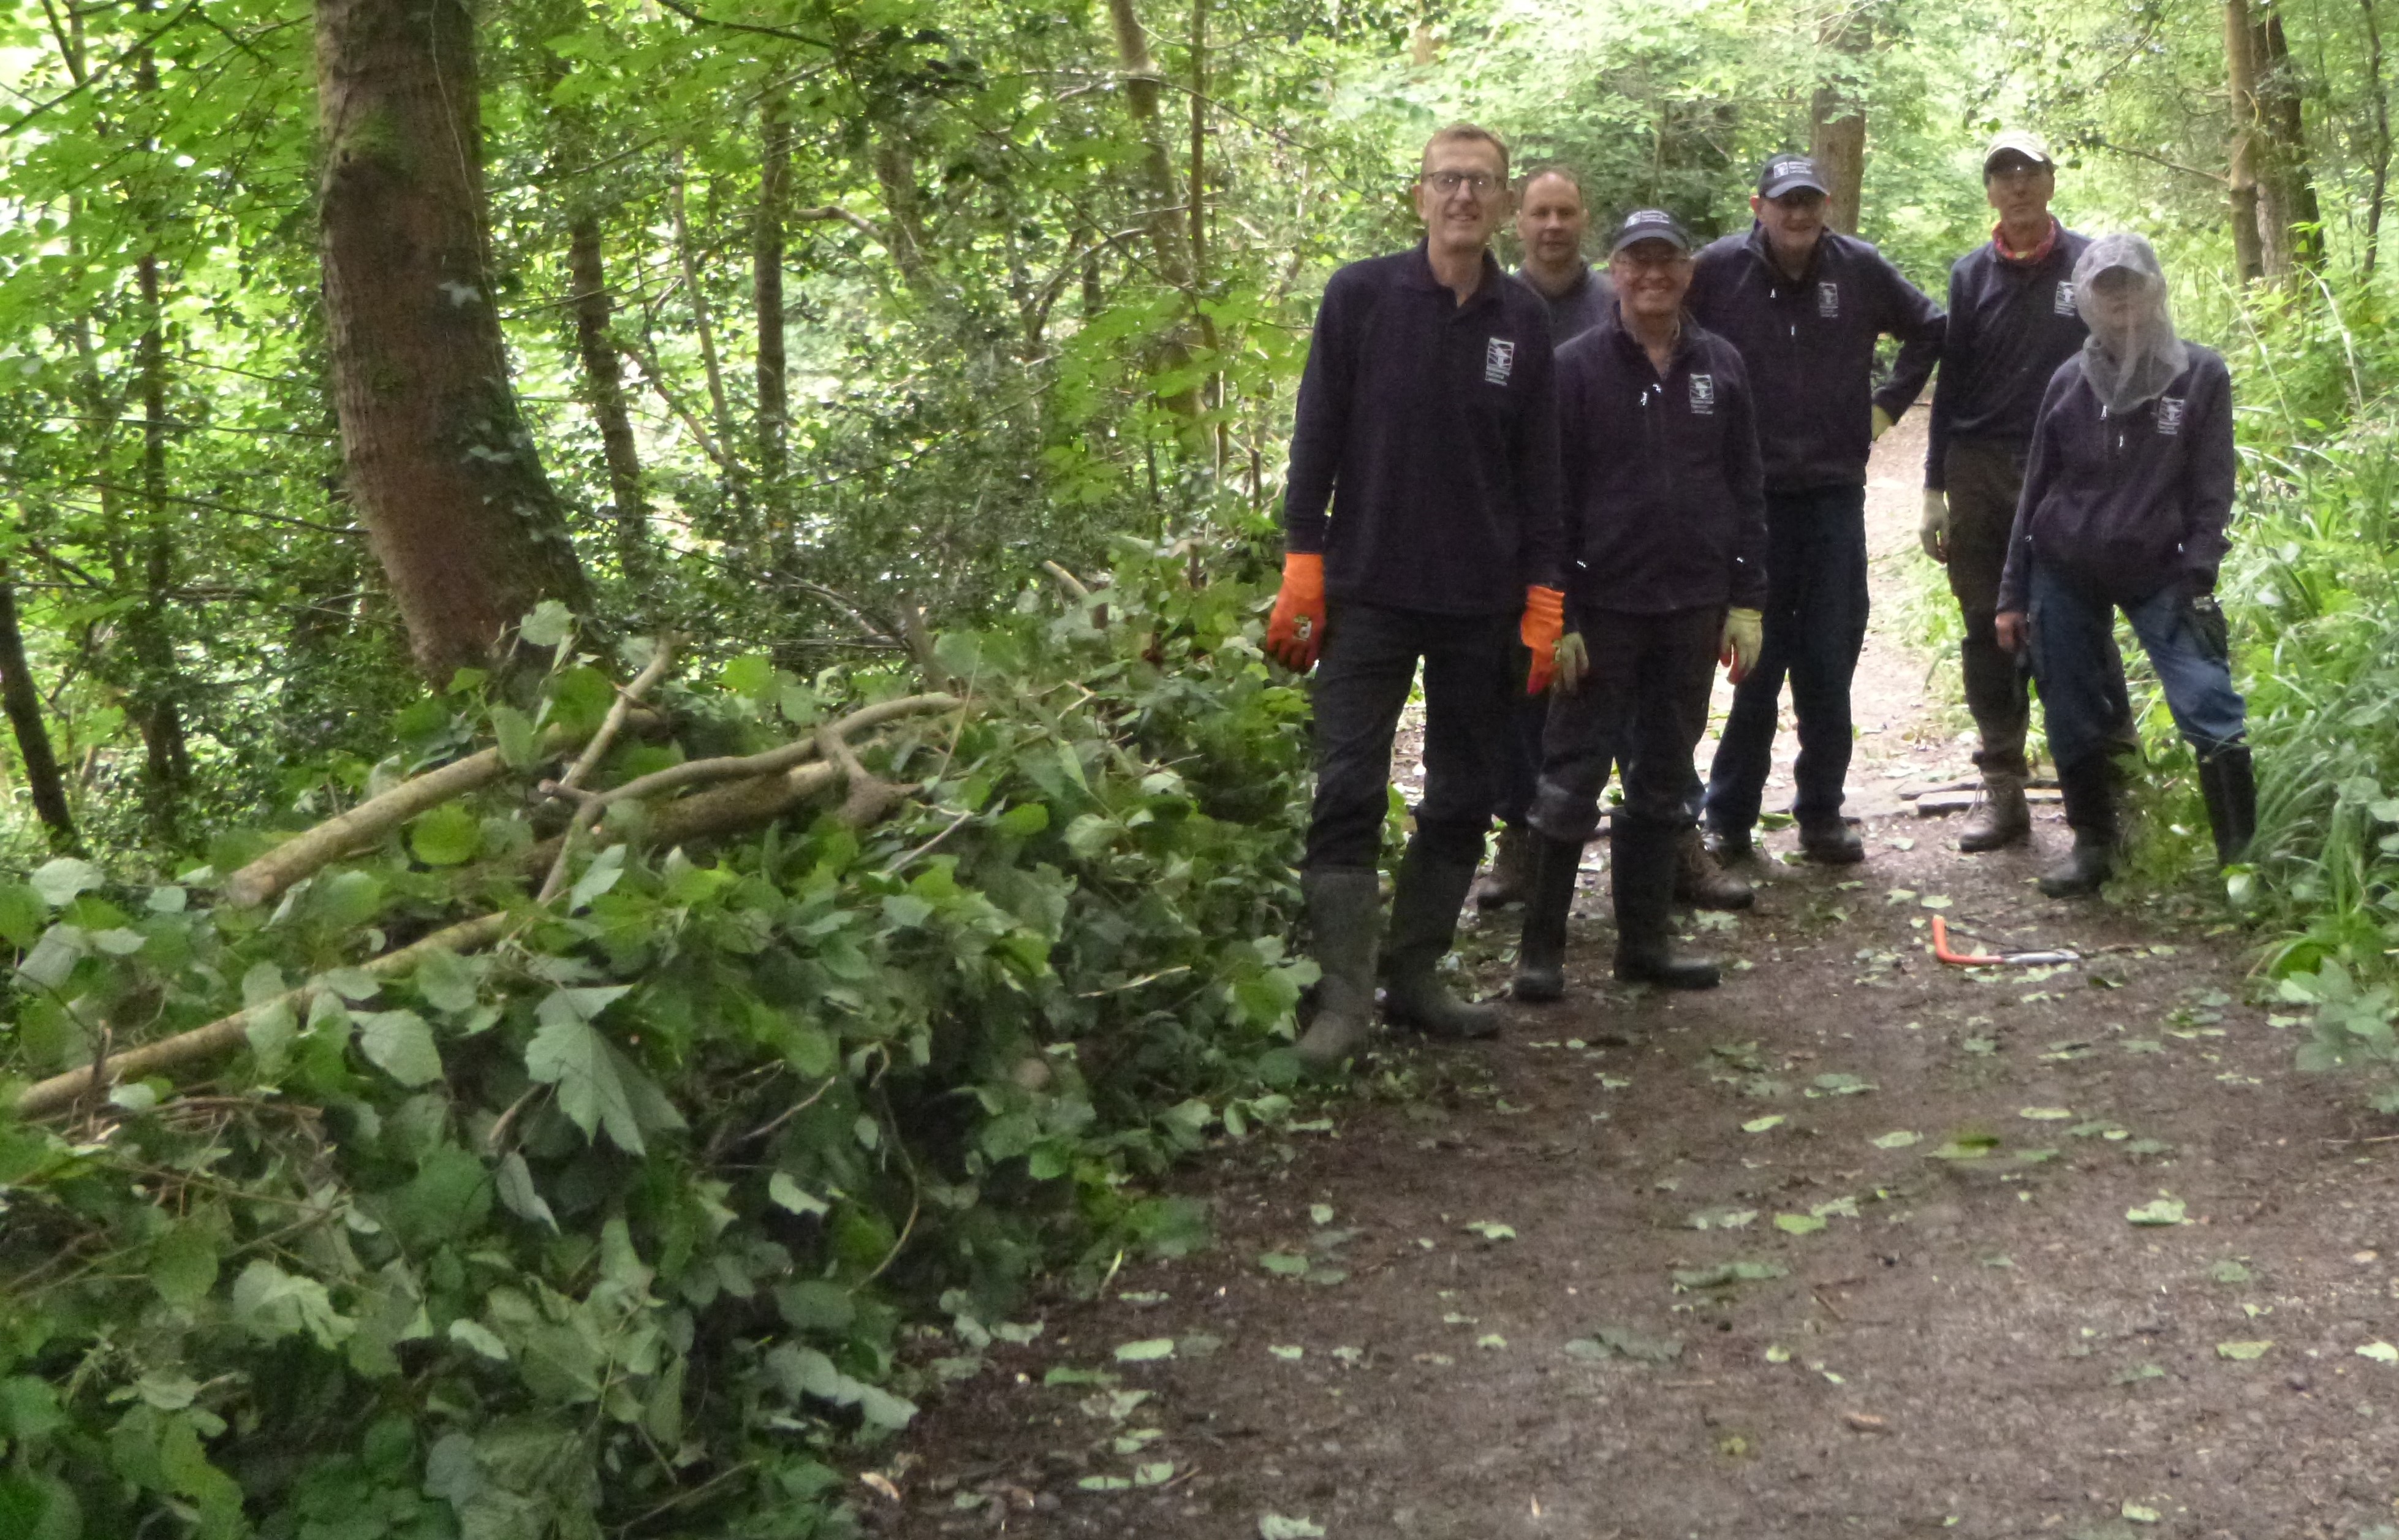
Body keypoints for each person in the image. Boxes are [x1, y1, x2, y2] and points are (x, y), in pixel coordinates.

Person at [1265, 123, 1568, 1071]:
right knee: (1347, 787)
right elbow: (1316, 432)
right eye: (1447, 180)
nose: (1462, 197)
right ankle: (1341, 1001)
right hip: (1366, 590)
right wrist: (1302, 560)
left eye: (1480, 182)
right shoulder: (1360, 296)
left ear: (1501, 201)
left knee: (1462, 793)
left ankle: (1416, 975)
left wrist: (1544, 596)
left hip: (1480, 601)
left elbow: (1541, 473)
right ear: (1420, 195)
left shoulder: (1522, 320)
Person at [1478, 167, 1755, 914]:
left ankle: (1669, 860)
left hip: (1664, 577)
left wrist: (1744, 594)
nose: (1553, 225)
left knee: (1658, 734)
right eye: (1540, 212)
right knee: (1537, 714)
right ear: (1518, 220)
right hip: (1537, 546)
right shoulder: (1500, 304)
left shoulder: (1652, 322)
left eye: (1566, 211)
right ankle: (1525, 853)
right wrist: (1551, 592)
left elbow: (1738, 479)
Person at [1687, 154, 1945, 866]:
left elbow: (1931, 327)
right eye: (1784, 202)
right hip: (1751, 498)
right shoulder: (1717, 270)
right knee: (1754, 661)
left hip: (1834, 492)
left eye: (1808, 202)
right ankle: (1729, 816)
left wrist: (1884, 410)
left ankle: (1822, 812)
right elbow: (1663, 335)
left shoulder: (1858, 268)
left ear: (1825, 205)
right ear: (1758, 206)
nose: (1797, 214)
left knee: (1829, 657)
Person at [1994, 233, 2253, 897]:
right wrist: (2012, 594)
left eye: (2132, 284)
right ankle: (2095, 845)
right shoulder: (2069, 380)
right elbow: (2035, 492)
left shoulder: (2201, 374)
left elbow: (2212, 485)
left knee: (2208, 699)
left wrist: (2198, 571)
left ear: (2155, 289)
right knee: (2070, 702)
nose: (2121, 299)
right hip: (2065, 566)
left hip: (2163, 569)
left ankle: (2242, 862)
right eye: (2106, 287)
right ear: (2087, 299)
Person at [1920, 129, 2131, 851]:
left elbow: (2127, 360)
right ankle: (2003, 786)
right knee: (1987, 625)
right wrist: (1933, 486)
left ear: (2050, 181)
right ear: (1989, 190)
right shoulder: (1969, 274)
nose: (2017, 185)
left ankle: (2112, 786)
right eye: (2003, 173)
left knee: (2080, 618)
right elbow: (1950, 384)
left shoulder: (2092, 264)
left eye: (2029, 171)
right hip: (1980, 467)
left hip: (2071, 467)